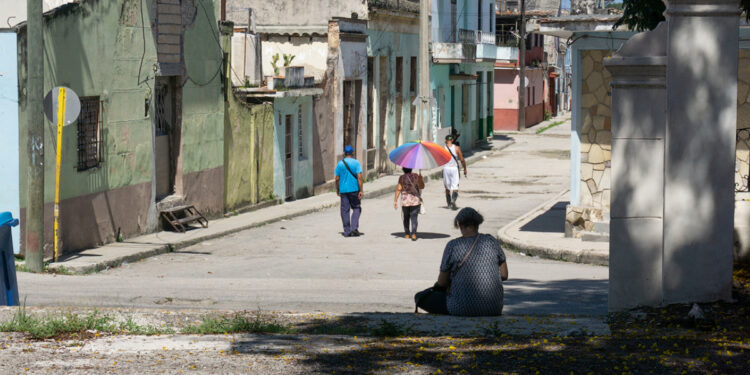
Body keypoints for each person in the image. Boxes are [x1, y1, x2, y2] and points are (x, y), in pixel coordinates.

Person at [414, 208, 509, 316]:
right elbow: (504, 275)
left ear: (460, 225)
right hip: (493, 309)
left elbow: (442, 282)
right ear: (478, 223)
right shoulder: (491, 241)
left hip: (460, 309)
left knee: (419, 297)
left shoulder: (453, 245)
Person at [335, 145, 364, 237]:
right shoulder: (356, 163)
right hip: (354, 189)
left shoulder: (339, 164)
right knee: (356, 208)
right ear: (352, 153)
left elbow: (336, 178)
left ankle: (347, 231)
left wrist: (337, 189)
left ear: (344, 153)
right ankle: (354, 228)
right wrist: (361, 190)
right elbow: (359, 177)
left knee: (345, 210)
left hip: (343, 190)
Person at [393, 167, 425, 241]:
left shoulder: (401, 177)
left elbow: (398, 189)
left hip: (405, 201)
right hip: (415, 200)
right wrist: (420, 179)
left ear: (403, 170)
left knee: (406, 217)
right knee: (414, 217)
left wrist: (395, 200)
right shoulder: (416, 176)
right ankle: (413, 234)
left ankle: (407, 234)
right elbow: (422, 187)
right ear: (411, 169)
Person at [443, 134, 467, 210]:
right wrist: (465, 169)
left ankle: (449, 204)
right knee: (455, 186)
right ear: (452, 140)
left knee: (447, 187)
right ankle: (453, 201)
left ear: (445, 140)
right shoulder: (456, 148)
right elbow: (462, 159)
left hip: (446, 169)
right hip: (454, 169)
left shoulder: (443, 149)